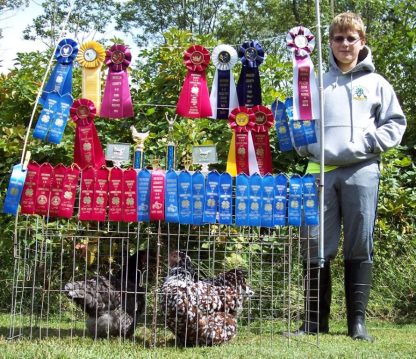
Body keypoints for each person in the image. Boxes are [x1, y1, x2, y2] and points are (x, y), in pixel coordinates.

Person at [293, 12, 407, 341]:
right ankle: (315, 321)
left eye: (351, 38)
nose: (344, 44)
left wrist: (367, 144)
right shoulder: (312, 82)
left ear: (362, 42)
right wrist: (307, 147)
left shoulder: (377, 84)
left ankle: (357, 323)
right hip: (320, 173)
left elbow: (395, 124)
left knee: (360, 244)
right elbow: (300, 123)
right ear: (329, 42)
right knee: (314, 242)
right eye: (338, 38)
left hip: (362, 171)